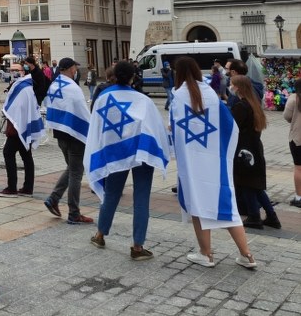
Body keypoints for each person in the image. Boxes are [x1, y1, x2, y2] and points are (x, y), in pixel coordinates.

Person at [170, 57, 256, 269]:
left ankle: (206, 254)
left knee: (196, 203)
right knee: (227, 207)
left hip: (192, 161)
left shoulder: (178, 95)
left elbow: (175, 129)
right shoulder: (210, 94)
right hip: (214, 161)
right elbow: (229, 126)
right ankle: (247, 255)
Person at [86, 60, 169, 260]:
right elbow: (155, 127)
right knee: (141, 197)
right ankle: (138, 246)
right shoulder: (143, 100)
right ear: (133, 77)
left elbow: (96, 128)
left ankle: (100, 234)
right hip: (142, 152)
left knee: (112, 193)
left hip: (115, 152)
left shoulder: (103, 98)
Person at [43, 58, 93, 225]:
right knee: (76, 173)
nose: (76, 70)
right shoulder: (72, 87)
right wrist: (91, 130)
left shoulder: (54, 85)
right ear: (71, 69)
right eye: (75, 67)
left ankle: (53, 198)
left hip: (60, 133)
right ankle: (74, 213)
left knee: (71, 168)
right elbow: (82, 112)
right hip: (74, 135)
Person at [229, 75, 280, 229]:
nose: (230, 87)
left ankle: (254, 217)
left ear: (238, 87)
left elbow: (232, 128)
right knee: (255, 185)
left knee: (246, 183)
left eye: (232, 84)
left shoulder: (241, 106)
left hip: (244, 150)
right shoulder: (253, 103)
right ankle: (271, 216)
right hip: (254, 148)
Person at [0, 64, 44, 197]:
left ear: (23, 71)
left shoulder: (23, 86)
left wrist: (14, 119)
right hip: (22, 125)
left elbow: (18, 106)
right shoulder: (23, 85)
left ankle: (12, 188)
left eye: (16, 70)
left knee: (8, 153)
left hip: (18, 126)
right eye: (11, 70)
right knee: (26, 156)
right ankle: (27, 188)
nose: (13, 72)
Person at [285, 80, 301, 209]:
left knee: (298, 168)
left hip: (297, 138)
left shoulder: (293, 99)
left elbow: (287, 116)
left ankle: (299, 197)